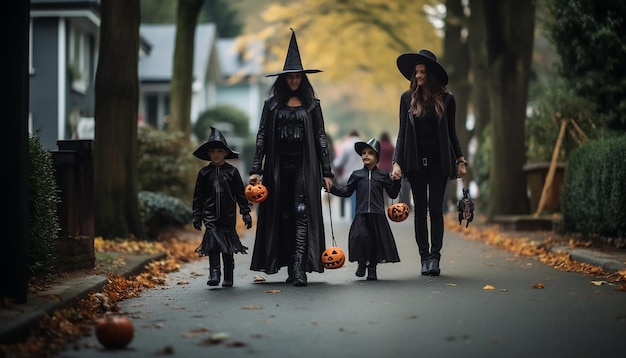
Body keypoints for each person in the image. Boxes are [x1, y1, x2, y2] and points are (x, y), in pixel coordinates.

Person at [248, 29, 334, 287]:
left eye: (298, 76)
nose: (295, 80)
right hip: (276, 168)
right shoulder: (272, 105)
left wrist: (327, 172)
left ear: (303, 78)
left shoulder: (312, 106)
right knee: (281, 214)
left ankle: (299, 267)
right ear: (284, 79)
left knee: (301, 212)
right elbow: (262, 135)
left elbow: (321, 136)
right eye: (291, 77)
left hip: (304, 169)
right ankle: (285, 262)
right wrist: (256, 169)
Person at [391, 49, 467, 277]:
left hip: (438, 163)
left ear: (431, 73)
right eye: (417, 72)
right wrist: (396, 162)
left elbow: (451, 133)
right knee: (420, 210)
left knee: (436, 209)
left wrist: (460, 158)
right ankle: (424, 256)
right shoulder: (407, 98)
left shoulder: (447, 99)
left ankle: (435, 256)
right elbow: (402, 133)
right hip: (415, 163)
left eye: (423, 71)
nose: (419, 75)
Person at [329, 138, 401, 281]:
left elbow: (392, 193)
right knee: (360, 237)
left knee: (374, 241)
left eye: (370, 153)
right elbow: (347, 191)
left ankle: (372, 268)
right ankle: (361, 263)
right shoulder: (356, 175)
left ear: (377, 157)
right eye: (363, 153)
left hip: (377, 214)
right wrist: (332, 189)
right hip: (361, 213)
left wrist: (397, 181)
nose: (366, 156)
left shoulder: (382, 175)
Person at [192, 126, 253, 287]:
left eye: (219, 151)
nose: (216, 154)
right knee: (212, 241)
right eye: (213, 151)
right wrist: (197, 215)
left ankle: (228, 275)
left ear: (225, 153)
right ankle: (214, 272)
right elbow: (198, 196)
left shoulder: (232, 172)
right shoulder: (204, 173)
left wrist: (245, 213)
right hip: (210, 215)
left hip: (228, 216)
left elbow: (240, 194)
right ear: (208, 154)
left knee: (226, 245)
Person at [333, 130, 362, 220]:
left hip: (350, 176)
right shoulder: (363, 144)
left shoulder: (346, 145)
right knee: (361, 198)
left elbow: (337, 163)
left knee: (353, 197)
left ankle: (354, 219)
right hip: (363, 174)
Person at [378, 131, 395, 207]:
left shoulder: (379, 146)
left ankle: (382, 202)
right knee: (388, 186)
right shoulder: (390, 146)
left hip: (380, 168)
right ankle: (387, 203)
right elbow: (393, 157)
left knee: (381, 188)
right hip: (388, 168)